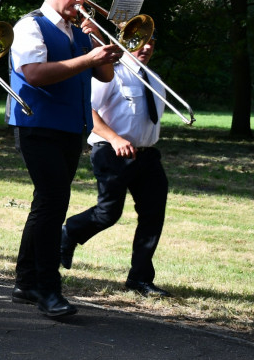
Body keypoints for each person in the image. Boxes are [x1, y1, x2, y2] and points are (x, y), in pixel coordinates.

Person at [7, 0, 122, 318]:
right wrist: (87, 58)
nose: (80, 0)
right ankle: (48, 288)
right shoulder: (30, 26)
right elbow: (34, 74)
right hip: (37, 124)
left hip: (71, 126)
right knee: (54, 202)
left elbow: (105, 76)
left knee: (46, 202)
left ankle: (26, 281)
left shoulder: (80, 29)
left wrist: (100, 42)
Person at [61, 36, 172, 297]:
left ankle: (140, 278)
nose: (147, 47)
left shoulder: (154, 79)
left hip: (146, 155)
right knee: (108, 213)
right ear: (123, 42)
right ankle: (68, 233)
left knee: (153, 215)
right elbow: (87, 111)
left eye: (152, 42)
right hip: (111, 152)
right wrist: (114, 138)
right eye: (140, 41)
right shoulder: (110, 75)